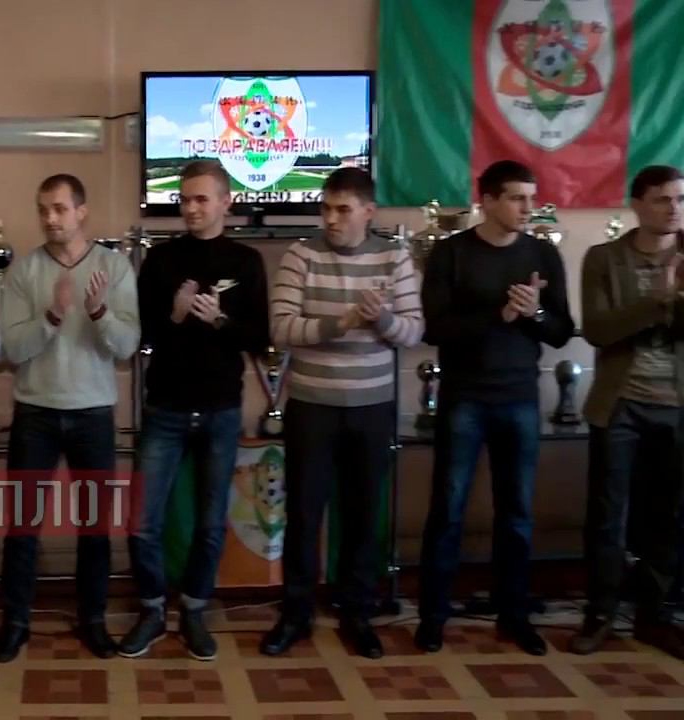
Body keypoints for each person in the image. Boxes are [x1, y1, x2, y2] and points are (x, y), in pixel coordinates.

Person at [262, 168, 424, 659]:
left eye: (343, 210)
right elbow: (282, 329)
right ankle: (296, 614)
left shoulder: (394, 257)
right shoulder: (301, 255)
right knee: (304, 514)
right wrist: (342, 322)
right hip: (312, 407)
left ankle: (357, 613)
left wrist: (381, 319)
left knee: (362, 516)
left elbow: (413, 332)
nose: (331, 219)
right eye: (326, 208)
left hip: (372, 408)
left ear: (368, 212)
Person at [416, 160, 575, 656]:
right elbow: (434, 329)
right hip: (464, 397)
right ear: (487, 201)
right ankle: (432, 618)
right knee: (448, 511)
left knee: (517, 514)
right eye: (517, 198)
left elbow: (561, 331)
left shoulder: (543, 254)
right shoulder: (451, 253)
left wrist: (534, 313)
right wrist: (499, 314)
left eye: (531, 198)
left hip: (520, 398)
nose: (529, 208)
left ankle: (514, 616)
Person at [120, 159, 268, 660]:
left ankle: (195, 610)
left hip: (221, 409)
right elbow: (140, 334)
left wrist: (220, 320)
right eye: (184, 200)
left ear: (226, 202)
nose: (191, 208)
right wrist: (176, 314)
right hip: (166, 407)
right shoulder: (161, 260)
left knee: (211, 523)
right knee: (142, 520)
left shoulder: (246, 262)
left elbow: (259, 337)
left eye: (202, 199)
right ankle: (151, 609)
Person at [0, 174, 140, 662]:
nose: (50, 218)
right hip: (35, 413)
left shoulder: (114, 267)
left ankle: (93, 619)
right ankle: (16, 622)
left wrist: (98, 313)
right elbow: (13, 349)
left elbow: (126, 346)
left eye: (59, 208)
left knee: (95, 528)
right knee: (22, 527)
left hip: (93, 413)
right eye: (43, 210)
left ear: (81, 211)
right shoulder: (24, 270)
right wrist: (53, 317)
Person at [571, 165, 684, 658]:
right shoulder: (604, 258)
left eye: (680, 199)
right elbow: (599, 329)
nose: (674, 209)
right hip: (620, 406)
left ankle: (654, 616)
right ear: (637, 205)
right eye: (662, 199)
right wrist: (657, 302)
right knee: (607, 517)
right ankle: (599, 614)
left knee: (668, 516)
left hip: (676, 406)